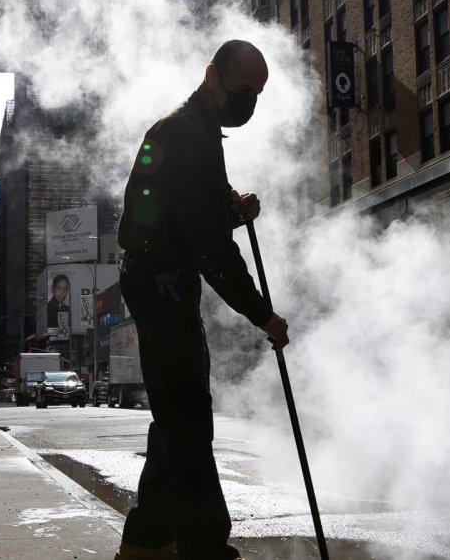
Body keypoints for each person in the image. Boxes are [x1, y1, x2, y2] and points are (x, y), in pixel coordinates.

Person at [115, 40, 290, 560]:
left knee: (175, 415)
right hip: (160, 283)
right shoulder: (184, 135)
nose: (249, 103)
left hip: (165, 279)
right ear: (212, 75)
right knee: (189, 417)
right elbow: (211, 249)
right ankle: (206, 550)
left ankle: (147, 541)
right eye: (243, 90)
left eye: (258, 94)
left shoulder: (199, 132)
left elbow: (194, 218)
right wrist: (264, 315)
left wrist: (234, 209)